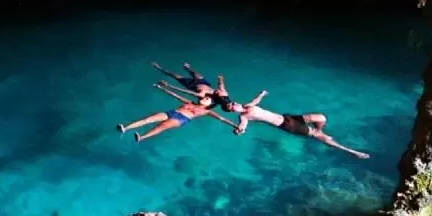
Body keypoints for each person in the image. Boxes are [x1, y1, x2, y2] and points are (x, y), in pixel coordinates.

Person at [226, 90, 369, 159]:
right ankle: (353, 152)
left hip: (288, 117)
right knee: (320, 135)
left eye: (233, 102)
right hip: (288, 126)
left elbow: (256, 101)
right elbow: (243, 125)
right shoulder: (243, 116)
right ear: (233, 111)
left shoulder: (246, 106)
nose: (235, 104)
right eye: (233, 106)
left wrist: (262, 94)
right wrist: (239, 130)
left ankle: (318, 132)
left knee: (321, 117)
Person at [153, 62, 234, 109]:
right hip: (203, 82)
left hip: (191, 85)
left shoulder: (204, 97)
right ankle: (187, 68)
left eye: (218, 92)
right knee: (195, 73)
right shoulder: (223, 94)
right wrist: (220, 79)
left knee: (174, 75)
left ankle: (160, 68)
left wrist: (169, 86)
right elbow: (221, 85)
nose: (217, 90)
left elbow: (185, 92)